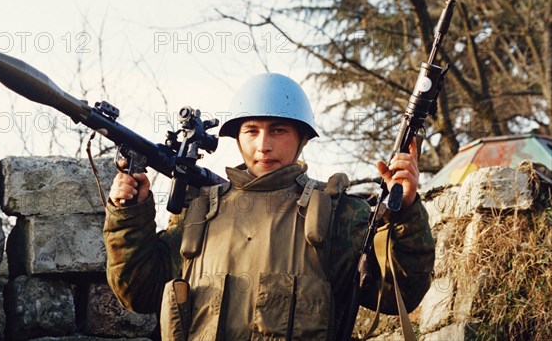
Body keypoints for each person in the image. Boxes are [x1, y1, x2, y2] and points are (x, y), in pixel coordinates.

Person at [104, 73, 435, 340]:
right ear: (238, 138)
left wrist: (404, 211)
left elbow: (397, 295)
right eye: (252, 131)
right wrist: (129, 214)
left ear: (301, 138)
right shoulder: (198, 213)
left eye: (278, 131)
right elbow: (139, 291)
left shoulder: (338, 214)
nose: (263, 145)